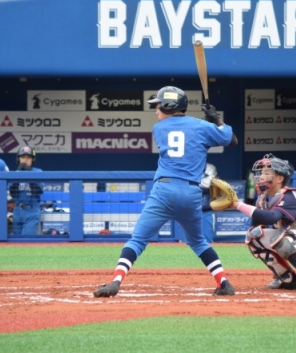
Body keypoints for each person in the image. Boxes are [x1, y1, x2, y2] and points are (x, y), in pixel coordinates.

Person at [93, 86, 238, 298]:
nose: (156, 110)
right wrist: (215, 120)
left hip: (164, 191)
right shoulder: (201, 126)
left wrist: (207, 123)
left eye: (159, 105)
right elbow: (231, 139)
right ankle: (223, 282)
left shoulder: (159, 128)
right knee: (198, 242)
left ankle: (116, 281)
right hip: (191, 192)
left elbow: (186, 130)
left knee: (137, 240)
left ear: (170, 105)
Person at [231, 153, 296, 292]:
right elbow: (264, 226)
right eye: (261, 173)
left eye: (267, 173)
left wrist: (238, 205)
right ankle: (289, 279)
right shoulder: (263, 199)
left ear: (280, 178)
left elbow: (271, 218)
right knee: (254, 236)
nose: (261, 177)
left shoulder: (290, 196)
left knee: (284, 237)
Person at [8, 146, 44, 235]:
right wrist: (19, 175)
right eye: (23, 157)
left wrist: (28, 174)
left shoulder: (38, 172)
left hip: (32, 210)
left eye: (28, 157)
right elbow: (12, 192)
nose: (25, 160)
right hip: (17, 210)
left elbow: (38, 191)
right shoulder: (15, 173)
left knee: (26, 239)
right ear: (18, 159)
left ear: (33, 160)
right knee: (16, 240)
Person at [199, 163, 218, 244]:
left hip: (205, 209)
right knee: (186, 242)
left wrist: (191, 182)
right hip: (187, 210)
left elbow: (209, 184)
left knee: (207, 241)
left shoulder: (210, 167)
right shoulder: (185, 166)